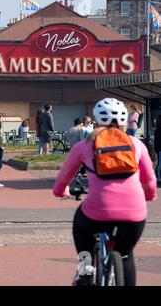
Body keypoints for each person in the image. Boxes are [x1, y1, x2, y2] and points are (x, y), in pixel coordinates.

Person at [53, 98, 157, 286]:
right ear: (124, 120)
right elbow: (150, 179)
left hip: (97, 211)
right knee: (125, 255)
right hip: (134, 214)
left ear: (96, 121)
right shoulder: (136, 144)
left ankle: (85, 266)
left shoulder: (85, 145)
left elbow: (63, 177)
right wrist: (149, 196)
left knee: (80, 222)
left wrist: (61, 191)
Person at [154, 114, 161, 183]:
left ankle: (158, 176)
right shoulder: (159, 130)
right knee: (159, 163)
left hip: (158, 148)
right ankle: (158, 176)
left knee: (159, 162)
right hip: (159, 148)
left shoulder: (157, 129)